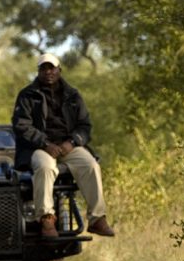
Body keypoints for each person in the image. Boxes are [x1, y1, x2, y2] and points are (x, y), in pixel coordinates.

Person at [11, 53, 114, 238]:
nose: (48, 72)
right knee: (45, 167)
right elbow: (21, 126)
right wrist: (45, 143)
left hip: (68, 145)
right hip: (39, 147)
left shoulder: (72, 94)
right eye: (43, 68)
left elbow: (85, 126)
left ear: (59, 70)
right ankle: (46, 218)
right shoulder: (27, 95)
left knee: (90, 165)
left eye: (51, 68)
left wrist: (73, 142)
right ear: (38, 71)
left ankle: (97, 219)